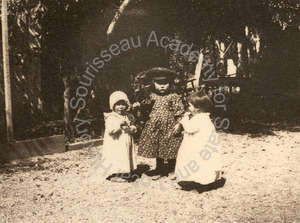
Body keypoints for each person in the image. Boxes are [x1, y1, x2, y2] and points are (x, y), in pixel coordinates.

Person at [137, 67, 185, 180]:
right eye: (159, 83)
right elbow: (144, 108)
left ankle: (172, 169)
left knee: (171, 146)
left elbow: (179, 111)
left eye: (165, 83)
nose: (162, 86)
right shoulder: (151, 96)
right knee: (157, 146)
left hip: (170, 126)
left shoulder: (173, 96)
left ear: (170, 83)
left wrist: (179, 124)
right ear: (153, 84)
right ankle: (159, 169)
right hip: (155, 126)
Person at [174, 90, 222, 185]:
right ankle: (198, 178)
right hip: (200, 143)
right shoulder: (204, 117)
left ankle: (201, 180)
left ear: (198, 107)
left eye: (189, 106)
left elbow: (190, 128)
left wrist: (184, 119)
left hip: (198, 146)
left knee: (196, 160)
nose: (188, 108)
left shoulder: (200, 118)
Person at [101, 91, 137, 182]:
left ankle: (125, 171)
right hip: (116, 142)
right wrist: (119, 123)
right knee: (117, 156)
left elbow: (132, 124)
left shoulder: (128, 116)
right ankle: (115, 175)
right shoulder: (111, 117)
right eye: (117, 105)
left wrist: (132, 128)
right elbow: (111, 129)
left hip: (125, 140)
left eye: (123, 104)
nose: (121, 107)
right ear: (112, 106)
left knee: (125, 155)